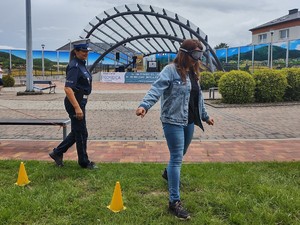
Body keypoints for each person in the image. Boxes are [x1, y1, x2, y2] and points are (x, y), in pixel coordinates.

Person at [136, 39, 214, 220]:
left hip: (189, 120)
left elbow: (198, 97)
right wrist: (144, 105)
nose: (197, 59)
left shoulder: (194, 73)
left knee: (181, 153)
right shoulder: (170, 71)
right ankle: (174, 202)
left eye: (200, 55)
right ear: (184, 53)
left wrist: (205, 116)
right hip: (172, 120)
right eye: (195, 55)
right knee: (177, 157)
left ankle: (167, 173)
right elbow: (156, 89)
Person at [49, 39, 97, 169]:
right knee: (81, 133)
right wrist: (77, 107)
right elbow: (68, 88)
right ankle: (84, 162)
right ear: (76, 51)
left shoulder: (81, 64)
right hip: (75, 102)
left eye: (87, 51)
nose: (85, 53)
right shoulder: (74, 66)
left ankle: (57, 152)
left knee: (78, 132)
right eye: (83, 51)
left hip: (80, 101)